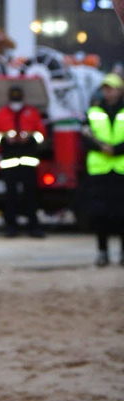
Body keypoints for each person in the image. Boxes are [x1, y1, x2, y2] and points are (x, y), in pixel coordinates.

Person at [0, 83, 47, 238]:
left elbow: (41, 135)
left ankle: (33, 226)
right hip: (9, 157)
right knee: (10, 195)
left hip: (28, 157)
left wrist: (28, 137)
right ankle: (11, 226)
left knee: (31, 195)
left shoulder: (31, 112)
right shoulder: (1, 113)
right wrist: (6, 138)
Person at [81, 71, 124, 267]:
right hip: (99, 171)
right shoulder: (93, 112)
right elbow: (85, 137)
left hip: (120, 169)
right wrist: (101, 147)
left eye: (112, 89)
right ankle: (102, 252)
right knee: (100, 215)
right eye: (106, 89)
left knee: (121, 215)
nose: (109, 93)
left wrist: (115, 150)